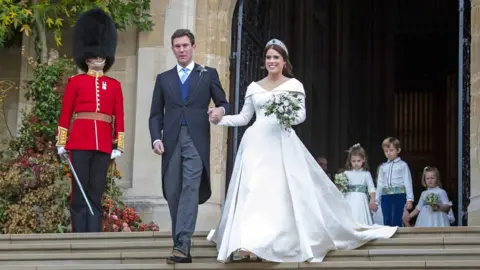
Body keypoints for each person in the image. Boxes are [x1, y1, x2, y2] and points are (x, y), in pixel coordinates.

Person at [206, 39, 397, 263]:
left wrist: (285, 114)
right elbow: (245, 117)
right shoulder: (254, 87)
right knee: (252, 189)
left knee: (276, 193)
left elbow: (301, 115)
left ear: (284, 61)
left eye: (276, 57)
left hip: (281, 143)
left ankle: (267, 241)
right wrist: (220, 119)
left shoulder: (294, 85)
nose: (271, 61)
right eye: (268, 57)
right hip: (255, 143)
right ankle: (248, 242)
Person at [148, 29, 230, 264]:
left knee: (190, 189)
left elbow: (224, 102)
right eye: (177, 46)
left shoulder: (208, 74)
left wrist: (219, 111)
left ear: (193, 47)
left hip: (196, 140)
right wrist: (156, 138)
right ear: (172, 49)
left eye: (185, 45)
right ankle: (181, 243)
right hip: (171, 141)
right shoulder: (164, 79)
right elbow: (155, 115)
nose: (182, 50)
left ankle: (181, 244)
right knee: (173, 191)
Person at [56, 8, 124, 233]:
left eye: (102, 56)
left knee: (96, 191)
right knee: (79, 191)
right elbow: (65, 113)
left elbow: (119, 116)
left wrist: (118, 144)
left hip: (103, 143)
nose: (99, 60)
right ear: (87, 58)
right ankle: (78, 235)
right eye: (95, 56)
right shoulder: (76, 82)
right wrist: (61, 141)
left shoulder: (114, 85)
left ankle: (94, 236)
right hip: (79, 141)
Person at [375, 137, 414, 226]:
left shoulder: (403, 165)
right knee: (386, 218)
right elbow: (380, 184)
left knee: (396, 218)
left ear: (398, 150)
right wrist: (377, 201)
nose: (388, 153)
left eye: (391, 150)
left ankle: (397, 238)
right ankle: (388, 238)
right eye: (386, 151)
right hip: (385, 196)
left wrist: (410, 199)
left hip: (399, 195)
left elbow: (408, 182)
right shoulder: (383, 167)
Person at [342, 143, 377, 225]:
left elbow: (371, 189)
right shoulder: (346, 173)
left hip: (361, 200)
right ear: (350, 161)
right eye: (353, 161)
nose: (356, 163)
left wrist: (372, 201)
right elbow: (342, 189)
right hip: (349, 198)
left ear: (363, 159)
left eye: (358, 161)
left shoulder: (366, 174)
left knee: (360, 218)